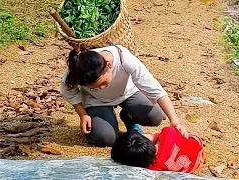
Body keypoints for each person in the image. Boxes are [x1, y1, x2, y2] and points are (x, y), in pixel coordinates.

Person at [60, 45, 188, 147]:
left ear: (109, 65)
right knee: (106, 138)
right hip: (97, 101)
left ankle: (128, 117)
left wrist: (174, 121)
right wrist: (83, 114)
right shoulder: (76, 70)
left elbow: (155, 89)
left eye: (103, 82)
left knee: (155, 116)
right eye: (94, 88)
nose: (102, 88)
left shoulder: (124, 58)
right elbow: (68, 91)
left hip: (127, 93)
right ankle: (104, 119)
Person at [110, 127, 206, 173]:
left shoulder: (154, 167)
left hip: (192, 166)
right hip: (197, 145)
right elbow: (173, 130)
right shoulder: (167, 132)